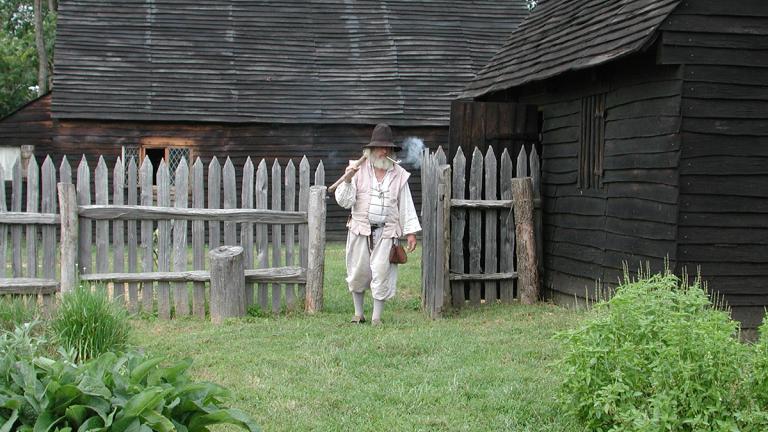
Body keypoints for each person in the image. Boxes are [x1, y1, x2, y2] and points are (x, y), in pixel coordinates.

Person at [334, 123, 421, 325]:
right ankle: (358, 314)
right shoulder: (357, 169)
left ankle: (376, 318)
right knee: (358, 271)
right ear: (370, 150)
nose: (384, 151)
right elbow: (344, 201)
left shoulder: (398, 174)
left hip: (386, 232)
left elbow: (405, 204)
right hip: (360, 229)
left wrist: (410, 233)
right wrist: (347, 180)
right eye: (380, 147)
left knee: (381, 272)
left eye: (387, 148)